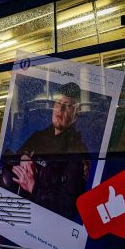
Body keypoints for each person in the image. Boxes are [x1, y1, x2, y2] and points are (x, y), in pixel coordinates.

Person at [9, 82, 89, 220]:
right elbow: (9, 157)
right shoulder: (39, 136)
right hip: (21, 209)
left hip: (45, 220)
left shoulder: (76, 150)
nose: (60, 109)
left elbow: (67, 207)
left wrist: (33, 187)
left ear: (75, 115)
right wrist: (23, 157)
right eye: (58, 103)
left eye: (67, 105)